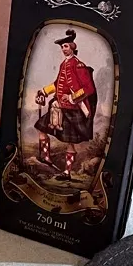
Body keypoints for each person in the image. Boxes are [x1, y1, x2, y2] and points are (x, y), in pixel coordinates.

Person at [34, 29, 97, 175]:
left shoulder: (79, 65)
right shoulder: (63, 64)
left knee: (70, 143)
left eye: (66, 46)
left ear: (73, 47)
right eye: (62, 47)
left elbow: (89, 89)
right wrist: (43, 91)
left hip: (72, 109)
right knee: (41, 129)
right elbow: (58, 84)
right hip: (58, 106)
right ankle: (46, 157)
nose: (63, 49)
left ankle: (67, 173)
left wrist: (72, 98)